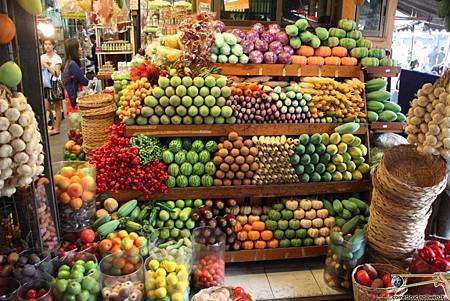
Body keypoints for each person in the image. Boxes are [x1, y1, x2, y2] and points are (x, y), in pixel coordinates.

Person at [41, 38, 62, 135]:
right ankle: (53, 124)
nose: (47, 46)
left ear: (53, 45)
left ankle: (57, 128)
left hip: (54, 83)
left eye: (49, 44)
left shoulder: (57, 58)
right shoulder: (42, 57)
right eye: (45, 44)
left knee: (57, 106)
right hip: (45, 83)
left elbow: (56, 73)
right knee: (46, 107)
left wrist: (46, 66)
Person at [62, 38, 89, 109]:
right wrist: (92, 82)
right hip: (73, 95)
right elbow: (84, 81)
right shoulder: (72, 64)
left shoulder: (67, 62)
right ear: (74, 50)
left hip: (69, 94)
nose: (81, 49)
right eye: (79, 47)